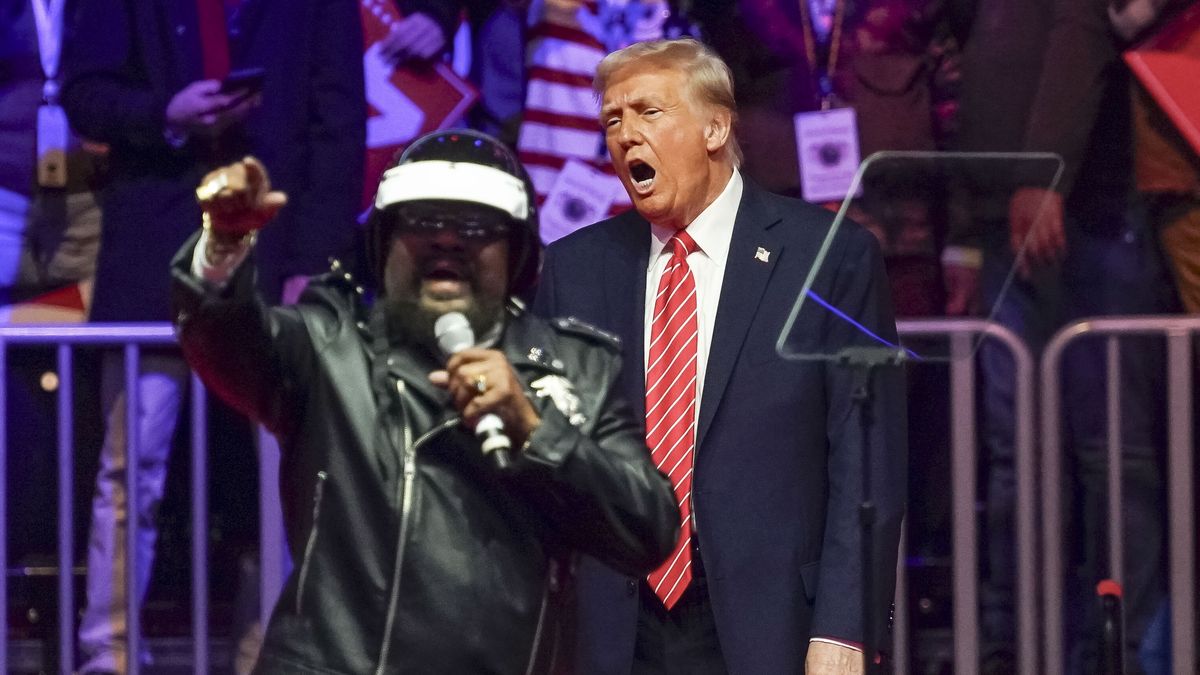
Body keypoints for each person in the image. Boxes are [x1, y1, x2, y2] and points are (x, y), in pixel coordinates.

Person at [170, 130, 679, 673]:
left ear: (518, 252)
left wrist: (537, 430)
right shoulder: (329, 349)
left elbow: (648, 532)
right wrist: (223, 245)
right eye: (423, 224)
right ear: (383, 244)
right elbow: (223, 337)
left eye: (475, 228)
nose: (447, 243)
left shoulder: (580, 370)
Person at [534, 39, 907, 674]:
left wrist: (847, 626)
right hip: (614, 626)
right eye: (612, 121)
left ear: (714, 125)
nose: (625, 136)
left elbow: (867, 459)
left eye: (648, 112)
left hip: (772, 624)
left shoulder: (828, 256)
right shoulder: (574, 269)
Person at [60, 0, 365, 670]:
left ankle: (275, 653)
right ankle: (106, 655)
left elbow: (337, 121)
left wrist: (314, 263)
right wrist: (166, 114)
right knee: (129, 466)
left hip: (278, 253)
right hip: (153, 257)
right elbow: (84, 89)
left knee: (284, 470)